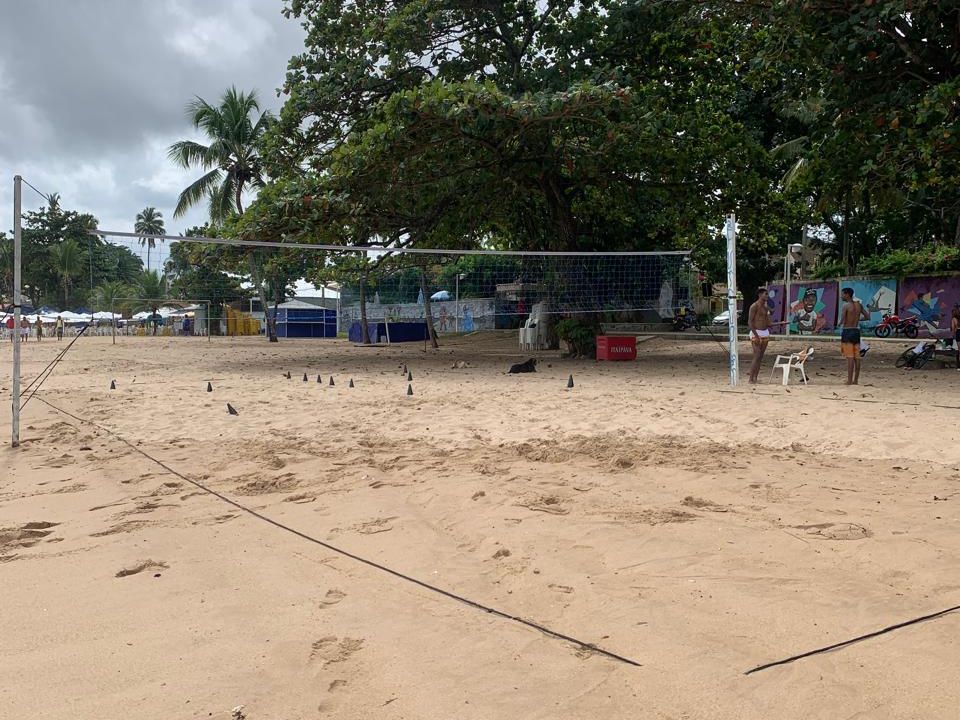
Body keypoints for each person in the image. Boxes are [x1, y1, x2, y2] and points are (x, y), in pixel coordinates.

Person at [839, 287, 870, 385]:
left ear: (847, 294)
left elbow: (842, 320)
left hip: (847, 331)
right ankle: (855, 380)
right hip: (856, 331)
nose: (841, 296)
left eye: (842, 294)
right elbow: (867, 317)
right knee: (857, 356)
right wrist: (857, 319)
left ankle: (849, 380)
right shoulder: (859, 305)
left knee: (850, 357)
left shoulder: (846, 306)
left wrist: (837, 324)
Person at [748, 288, 772, 384]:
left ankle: (755, 378)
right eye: (765, 294)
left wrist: (782, 323)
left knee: (760, 357)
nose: (767, 296)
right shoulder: (754, 306)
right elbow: (750, 322)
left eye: (767, 294)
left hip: (765, 332)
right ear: (760, 295)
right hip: (756, 332)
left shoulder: (766, 307)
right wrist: (756, 335)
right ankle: (750, 378)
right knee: (757, 355)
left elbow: (768, 323)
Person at [952, 306, 960, 372]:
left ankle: (959, 366)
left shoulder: (954, 319)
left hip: (958, 332)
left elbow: (953, 328)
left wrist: (953, 334)